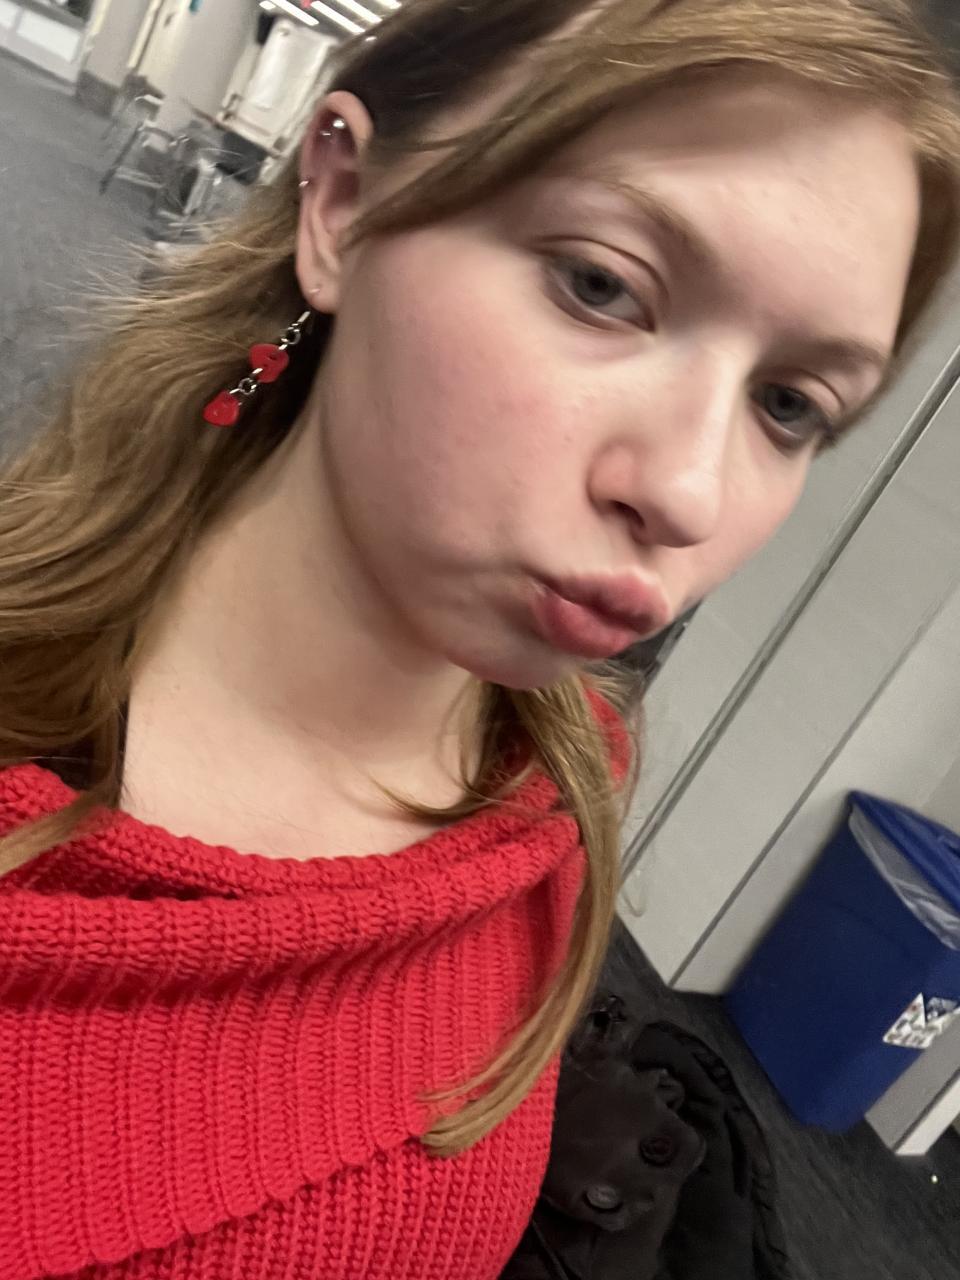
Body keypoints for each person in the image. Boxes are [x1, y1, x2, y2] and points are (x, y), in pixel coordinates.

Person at [0, 1, 957, 1277]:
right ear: (344, 206)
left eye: (788, 404)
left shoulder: (565, 776)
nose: (689, 491)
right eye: (601, 284)